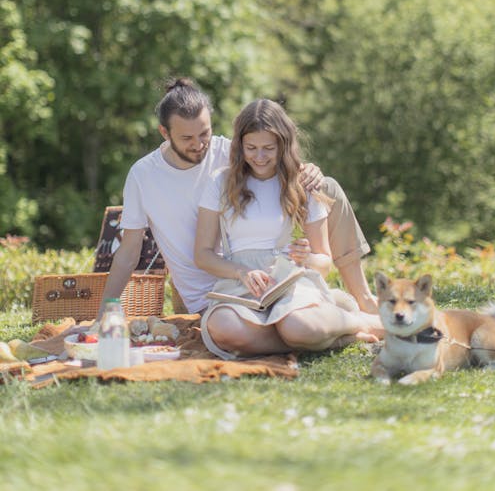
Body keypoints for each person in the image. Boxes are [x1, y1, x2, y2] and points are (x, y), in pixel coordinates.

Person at [96, 77, 377, 320]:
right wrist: (104, 311)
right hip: (212, 292)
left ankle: (363, 297)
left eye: (204, 133)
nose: (199, 145)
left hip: (260, 277)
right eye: (187, 138)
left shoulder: (229, 151)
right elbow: (128, 253)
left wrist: (309, 170)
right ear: (164, 133)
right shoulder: (143, 176)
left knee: (326, 188)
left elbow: (271, 157)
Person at [194, 99, 382, 360]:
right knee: (223, 329)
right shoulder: (221, 182)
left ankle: (360, 322)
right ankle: (328, 338)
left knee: (297, 325)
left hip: (290, 281)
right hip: (240, 284)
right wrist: (241, 272)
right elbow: (202, 255)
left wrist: (306, 259)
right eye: (251, 148)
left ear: (283, 145)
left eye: (268, 148)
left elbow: (324, 262)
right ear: (239, 145)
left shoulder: (302, 183)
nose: (259, 157)